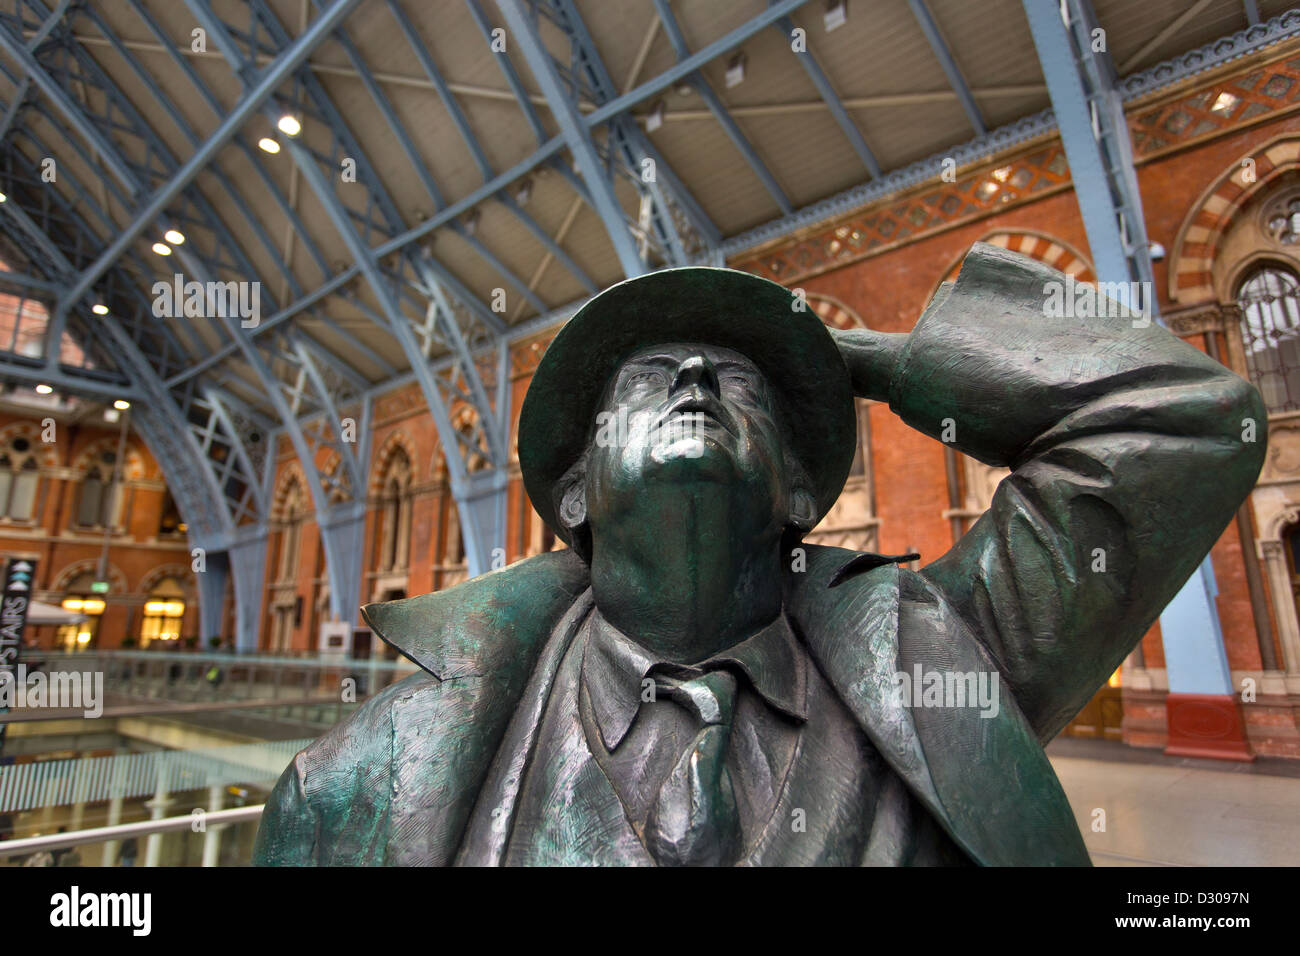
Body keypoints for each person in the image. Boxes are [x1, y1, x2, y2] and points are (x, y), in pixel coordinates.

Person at [253, 245, 1265, 866]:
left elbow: (1191, 425)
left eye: (741, 385)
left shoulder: (951, 662)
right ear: (572, 494)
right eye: (649, 377)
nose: (694, 369)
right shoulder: (363, 781)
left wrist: (864, 360)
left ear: (794, 487)